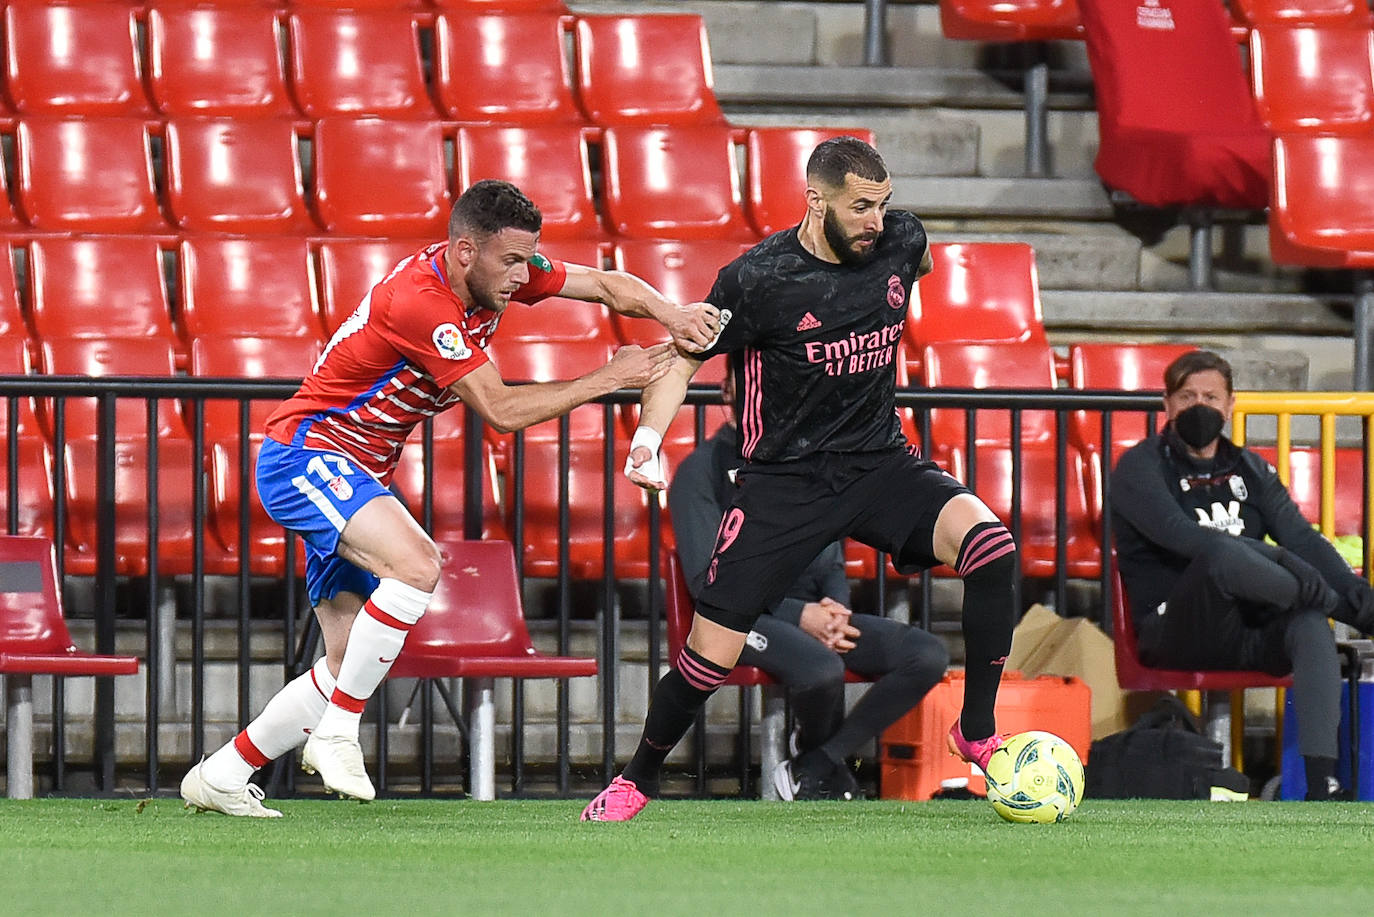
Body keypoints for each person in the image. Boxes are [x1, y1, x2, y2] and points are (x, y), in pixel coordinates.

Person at [180, 179, 720, 817]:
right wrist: (608, 378)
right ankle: (337, 732)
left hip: (357, 472)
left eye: (528, 258)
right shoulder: (423, 303)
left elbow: (606, 284)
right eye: (512, 260)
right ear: (466, 251)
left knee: (348, 656)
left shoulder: (495, 278)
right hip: (306, 455)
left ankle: (224, 771)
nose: (524, 275)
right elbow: (500, 409)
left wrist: (672, 313)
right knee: (419, 565)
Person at [582, 136, 1020, 821]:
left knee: (991, 547)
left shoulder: (902, 241)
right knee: (707, 658)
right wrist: (647, 438)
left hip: (879, 463)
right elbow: (677, 360)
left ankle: (976, 728)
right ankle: (636, 778)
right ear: (817, 202)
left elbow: (916, 263)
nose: (878, 219)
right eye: (862, 206)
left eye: (884, 204)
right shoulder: (759, 278)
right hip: (783, 484)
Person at [668, 357, 949, 799]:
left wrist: (836, 607)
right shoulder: (698, 472)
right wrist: (801, 616)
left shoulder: (806, 463)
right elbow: (709, 581)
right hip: (734, 621)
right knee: (820, 668)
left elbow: (831, 555)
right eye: (756, 385)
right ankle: (819, 772)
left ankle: (817, 761)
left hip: (811, 615)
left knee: (926, 654)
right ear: (728, 393)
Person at [1110, 349, 1374, 800]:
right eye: (1187, 396)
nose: (1200, 406)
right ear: (1166, 404)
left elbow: (1302, 539)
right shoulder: (1139, 467)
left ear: (1231, 405)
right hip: (1174, 627)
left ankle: (1320, 786)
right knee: (1221, 558)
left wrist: (1357, 590)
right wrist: (1301, 575)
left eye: (1211, 397)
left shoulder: (1250, 468)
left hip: (1245, 626)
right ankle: (1338, 607)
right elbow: (1187, 539)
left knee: (1308, 625)